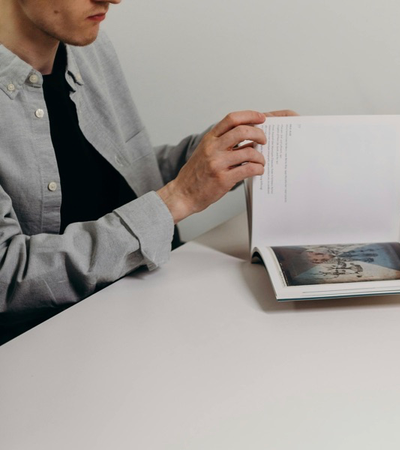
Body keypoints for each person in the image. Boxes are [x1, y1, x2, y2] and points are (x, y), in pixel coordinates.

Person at [0, 0, 294, 343]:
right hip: (53, 347)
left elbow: (119, 177)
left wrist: (222, 155)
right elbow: (9, 277)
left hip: (158, 300)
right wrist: (179, 197)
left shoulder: (88, 45)